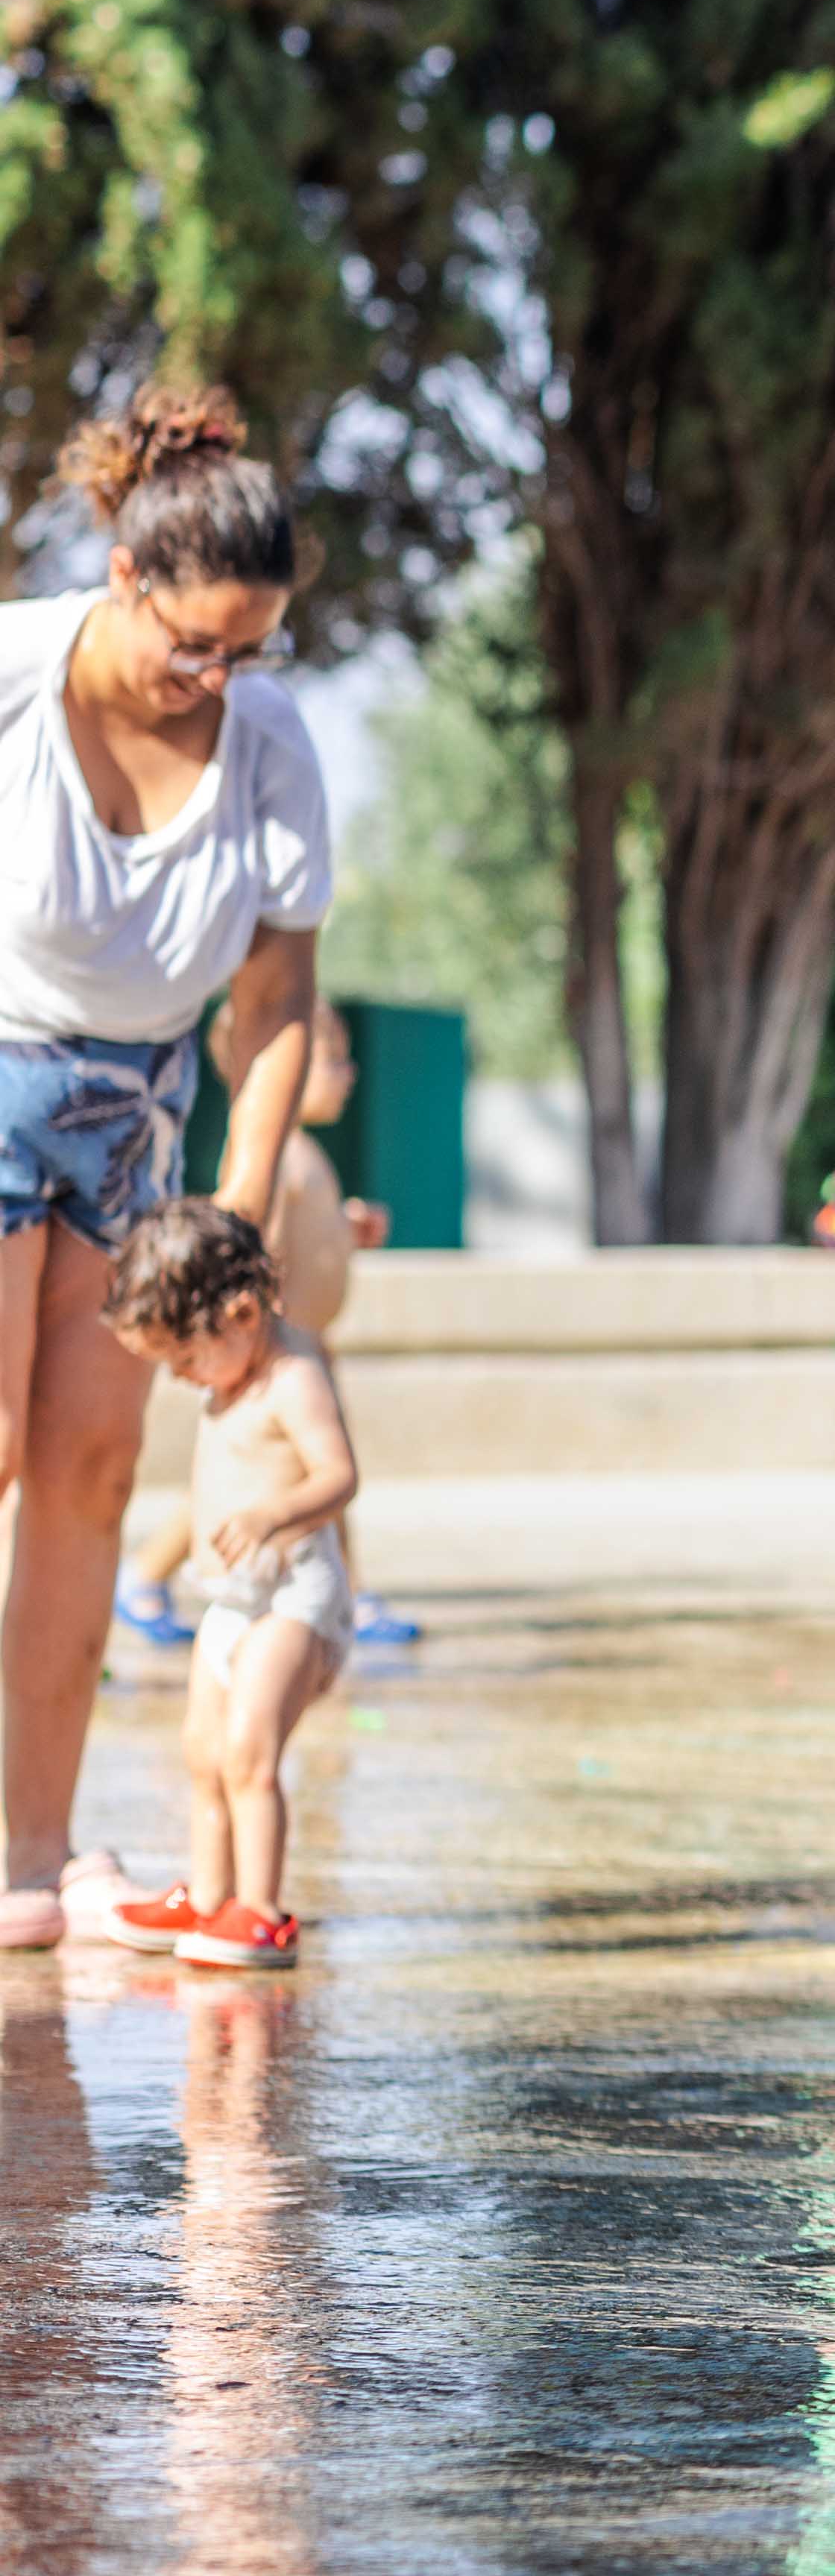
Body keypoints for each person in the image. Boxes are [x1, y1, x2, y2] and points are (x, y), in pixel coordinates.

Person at [0, 385, 330, 1956]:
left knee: (88, 1473)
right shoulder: (13, 670)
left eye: (247, 647)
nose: (217, 675)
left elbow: (272, 1000)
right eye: (194, 640)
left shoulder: (266, 736)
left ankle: (32, 1851)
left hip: (140, 1114)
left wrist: (237, 1227)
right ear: (124, 574)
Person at [84, 1206, 357, 1970]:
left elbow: (342, 1475)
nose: (181, 1377)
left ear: (240, 1313)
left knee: (249, 1752)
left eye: (185, 1360)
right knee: (202, 1753)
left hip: (293, 1598)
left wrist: (278, 1511)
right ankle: (209, 1898)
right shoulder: (235, 1363)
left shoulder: (292, 1376)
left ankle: (261, 1911)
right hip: (231, 1600)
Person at [118, 1002, 401, 1650]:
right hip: (278, 1353)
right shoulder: (272, 1161)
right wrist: (257, 1338)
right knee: (281, 1472)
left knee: (310, 1467)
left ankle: (347, 1591)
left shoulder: (305, 1156)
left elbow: (302, 1241)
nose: (349, 1072)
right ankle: (150, 1574)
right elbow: (247, 1253)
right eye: (332, 1060)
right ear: (287, 1071)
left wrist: (344, 1229)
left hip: (305, 1342)